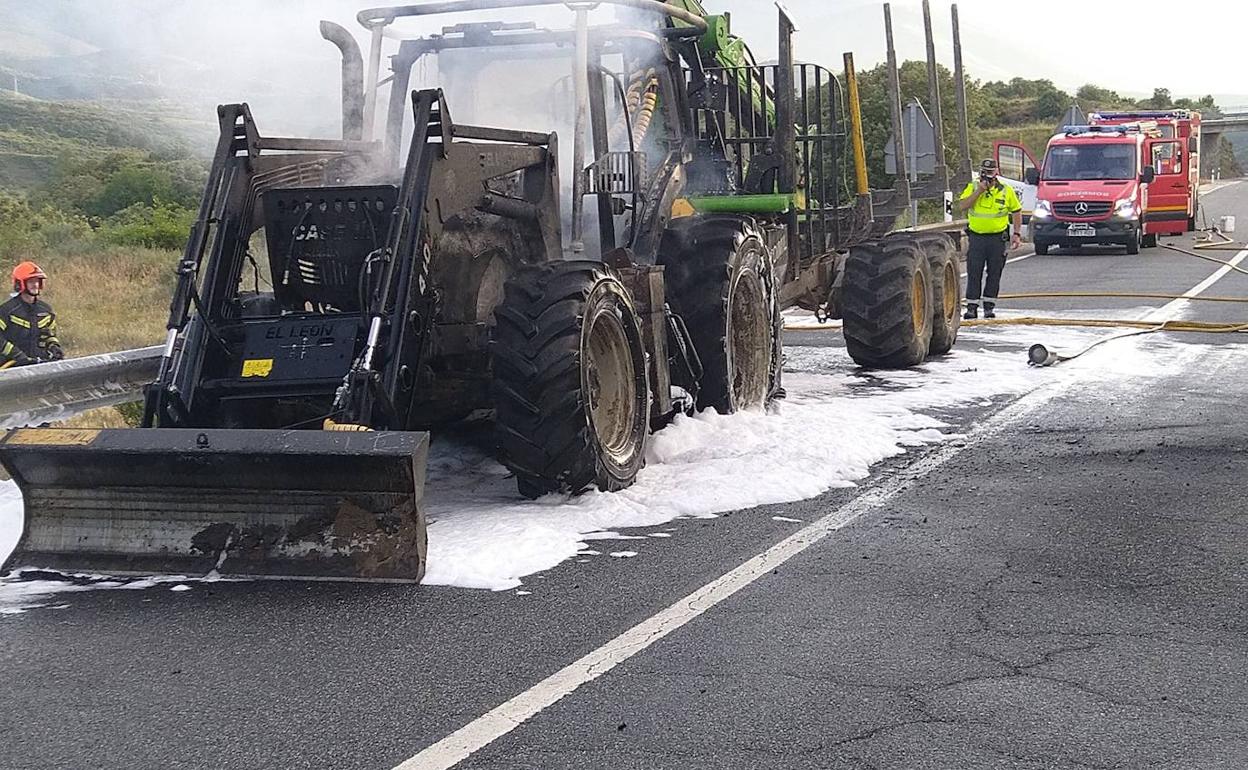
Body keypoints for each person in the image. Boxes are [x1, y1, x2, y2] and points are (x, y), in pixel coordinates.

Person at [957, 159, 1023, 319]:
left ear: (996, 172)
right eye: (985, 172)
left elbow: (1016, 211)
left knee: (994, 273)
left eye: (991, 172)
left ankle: (989, 306)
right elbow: (962, 206)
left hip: (997, 239)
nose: (987, 175)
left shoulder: (1006, 190)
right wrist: (979, 191)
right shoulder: (973, 186)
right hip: (977, 238)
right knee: (974, 272)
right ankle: (972, 307)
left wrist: (1017, 234)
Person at [0, 261, 64, 367]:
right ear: (19, 284)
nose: (35, 285)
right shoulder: (7, 310)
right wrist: (17, 355)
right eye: (31, 281)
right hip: (11, 366)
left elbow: (50, 335)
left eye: (37, 281)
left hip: (38, 365)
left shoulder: (45, 310)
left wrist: (54, 346)